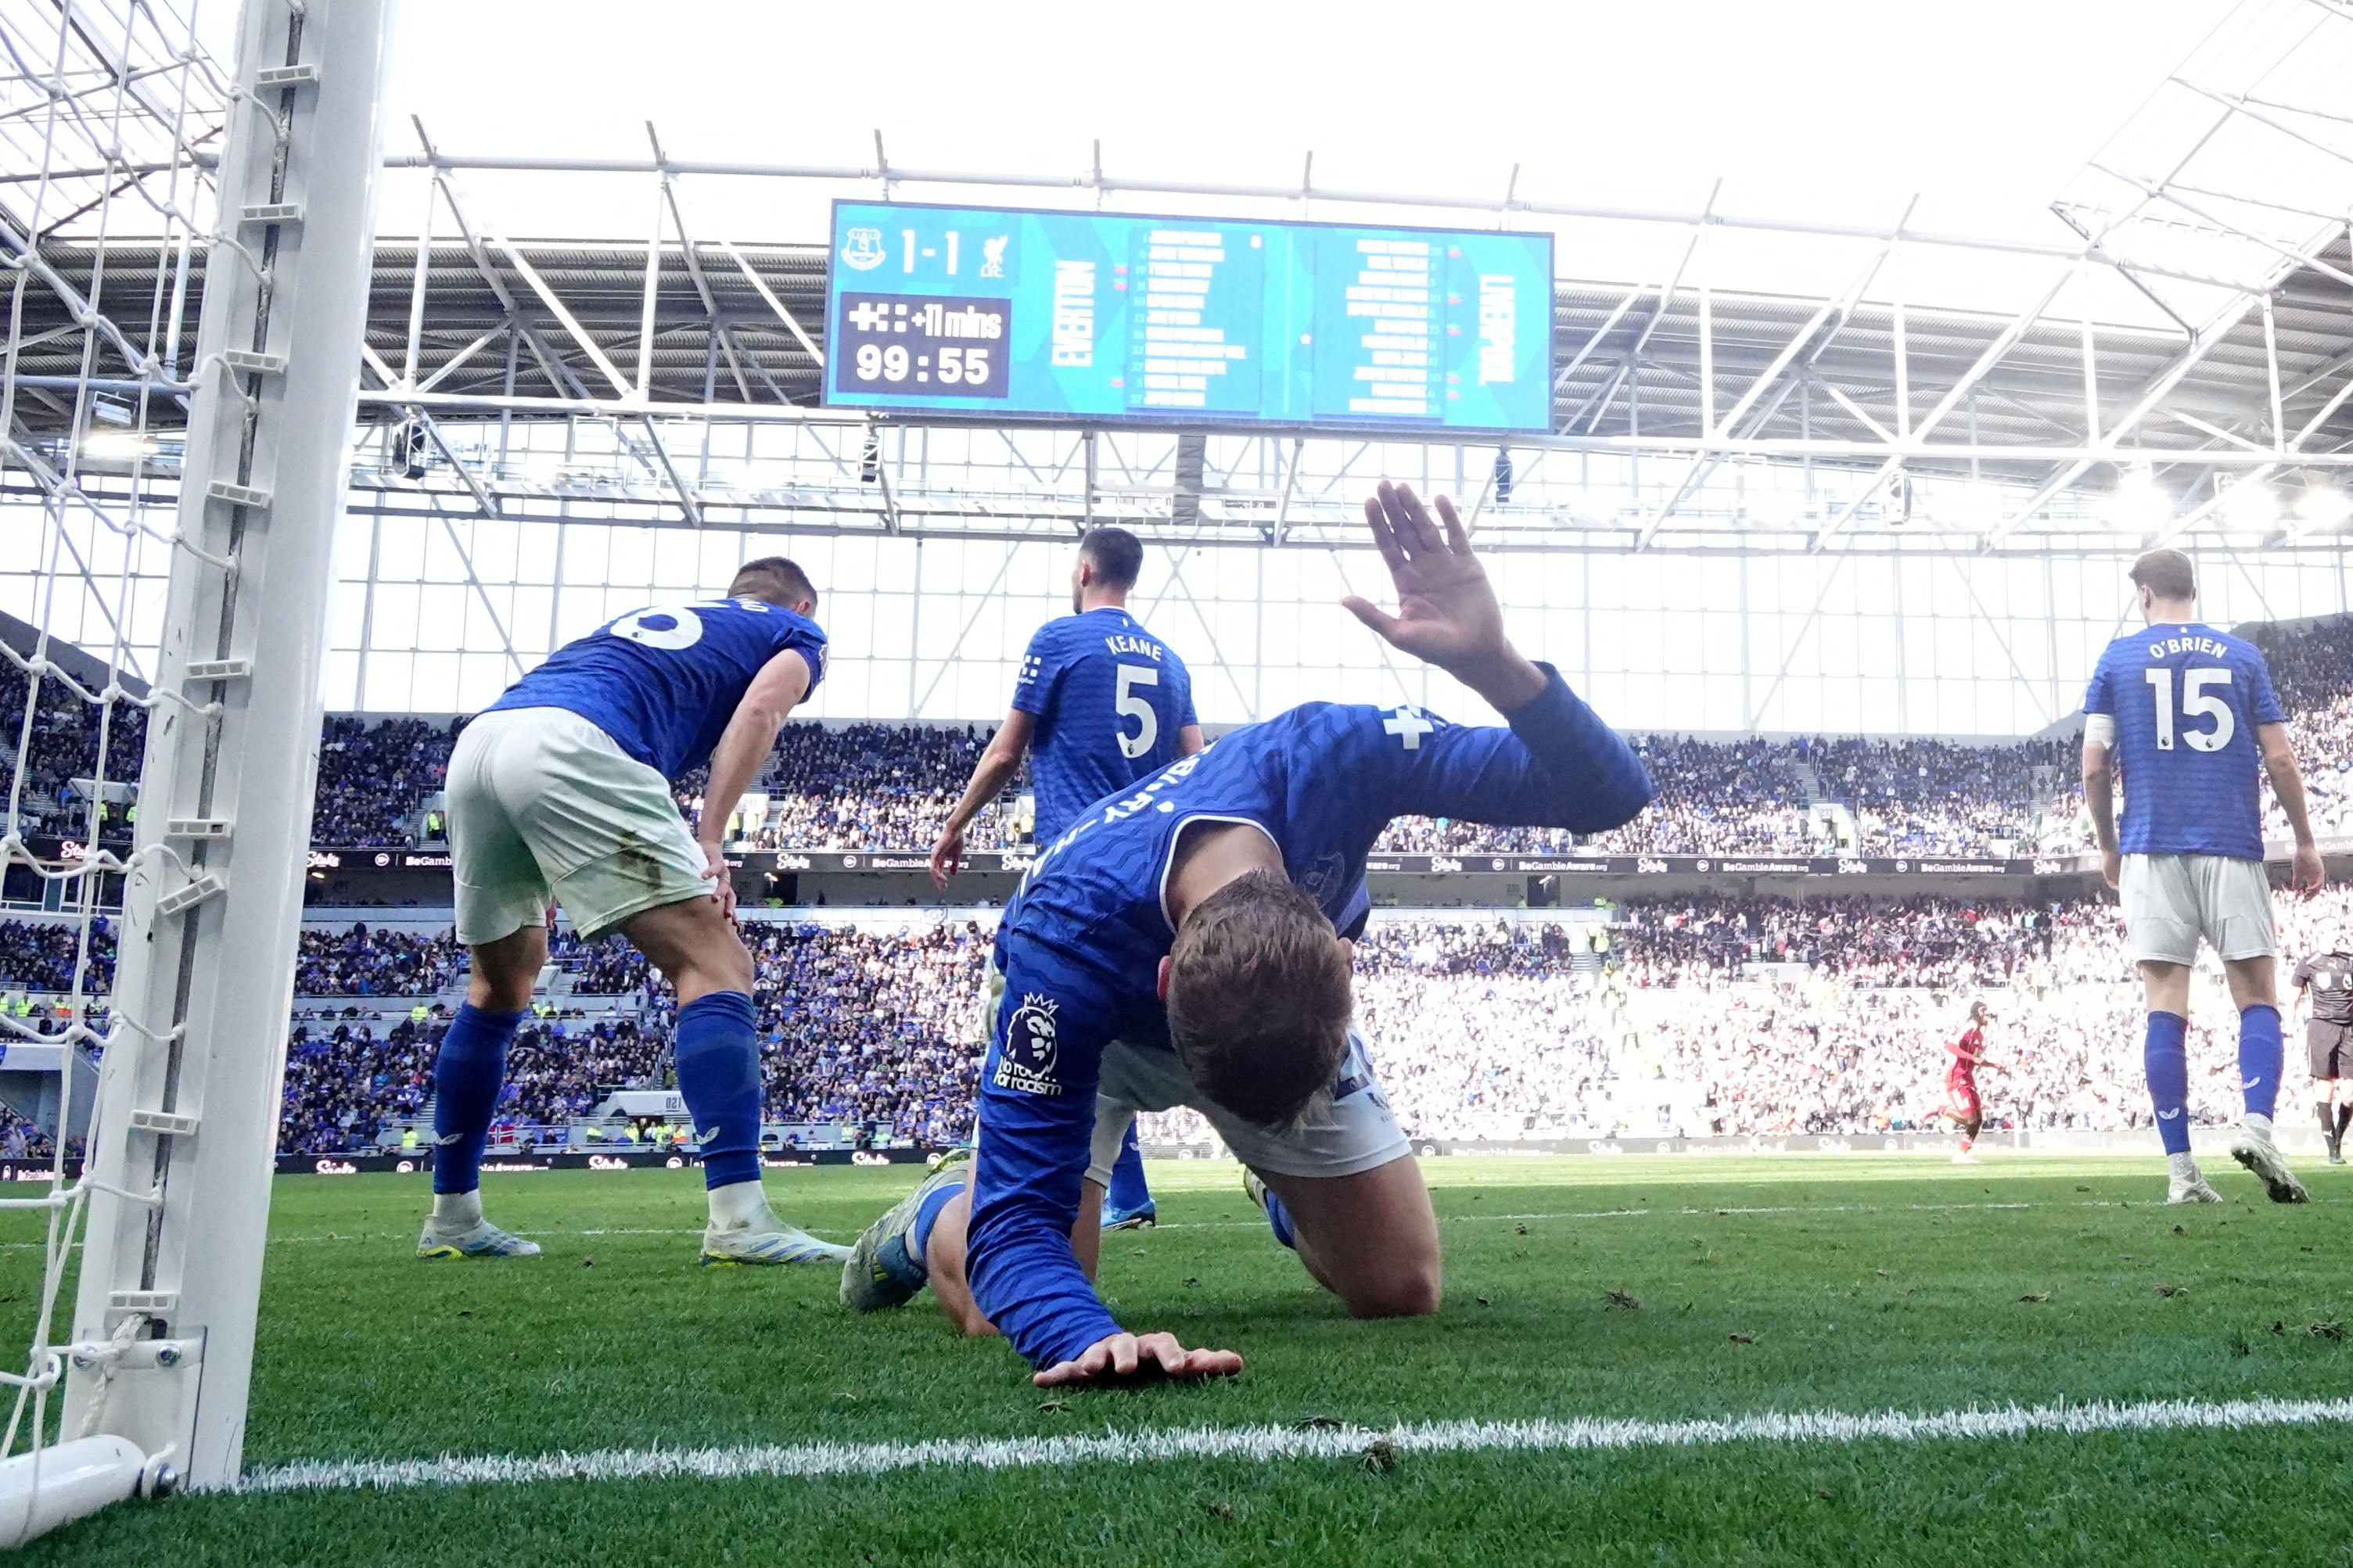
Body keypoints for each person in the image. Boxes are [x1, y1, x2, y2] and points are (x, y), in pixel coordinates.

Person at [842, 482, 1654, 1384]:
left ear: (1340, 961)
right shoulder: (1060, 946)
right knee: (1006, 1299)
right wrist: (1084, 1336)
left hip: (1245, 1002)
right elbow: (1021, 1234)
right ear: (1159, 980)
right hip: (1098, 1029)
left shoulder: (1337, 753)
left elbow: (1609, 796)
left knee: (1399, 1287)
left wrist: (1496, 662)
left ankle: (1282, 1182)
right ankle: (930, 1217)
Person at [417, 557, 849, 1267]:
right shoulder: (795, 633)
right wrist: (710, 836)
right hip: (575, 744)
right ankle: (740, 1218)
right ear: (800, 604)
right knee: (715, 963)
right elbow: (764, 709)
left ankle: (453, 1215)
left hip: (484, 742)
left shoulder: (670, 621)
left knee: (499, 985)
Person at [930, 526, 1202, 1233]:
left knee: (1019, 1004)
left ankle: (1002, 1186)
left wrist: (957, 821)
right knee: (1110, 1030)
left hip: (1074, 870)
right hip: (1150, 873)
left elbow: (1005, 751)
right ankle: (1130, 1191)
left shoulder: (1059, 638)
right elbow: (1199, 766)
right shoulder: (1172, 664)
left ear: (1084, 569)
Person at [2081, 547, 2326, 1206]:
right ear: (2195, 589)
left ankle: (2182, 1172)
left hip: (2151, 848)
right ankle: (2258, 1126)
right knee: (2256, 996)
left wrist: (2109, 845)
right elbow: (2278, 755)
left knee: (2165, 1004)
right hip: (2230, 843)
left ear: (2144, 596)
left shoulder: (2117, 661)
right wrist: (2304, 841)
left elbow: (2095, 766)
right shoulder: (2242, 657)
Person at [2291, 939, 2353, 1164]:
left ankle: (2338, 1137)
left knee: (2350, 1094)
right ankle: (2332, 1151)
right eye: (2333, 931)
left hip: (2349, 1029)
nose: (2338, 936)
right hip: (2321, 1028)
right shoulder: (2309, 962)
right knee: (2325, 1086)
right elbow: (2294, 995)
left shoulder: (2349, 960)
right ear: (2322, 934)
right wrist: (2288, 1023)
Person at [1943, 1000, 2001, 1163]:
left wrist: (1995, 1066)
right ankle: (1941, 1110)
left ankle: (1962, 1154)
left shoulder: (1979, 1035)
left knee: (1978, 1120)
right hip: (1957, 1076)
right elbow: (1950, 1045)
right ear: (1975, 1012)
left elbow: (1977, 1060)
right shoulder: (1969, 1026)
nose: (1987, 1014)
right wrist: (1971, 1057)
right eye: (1983, 1010)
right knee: (1970, 1119)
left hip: (1968, 1077)